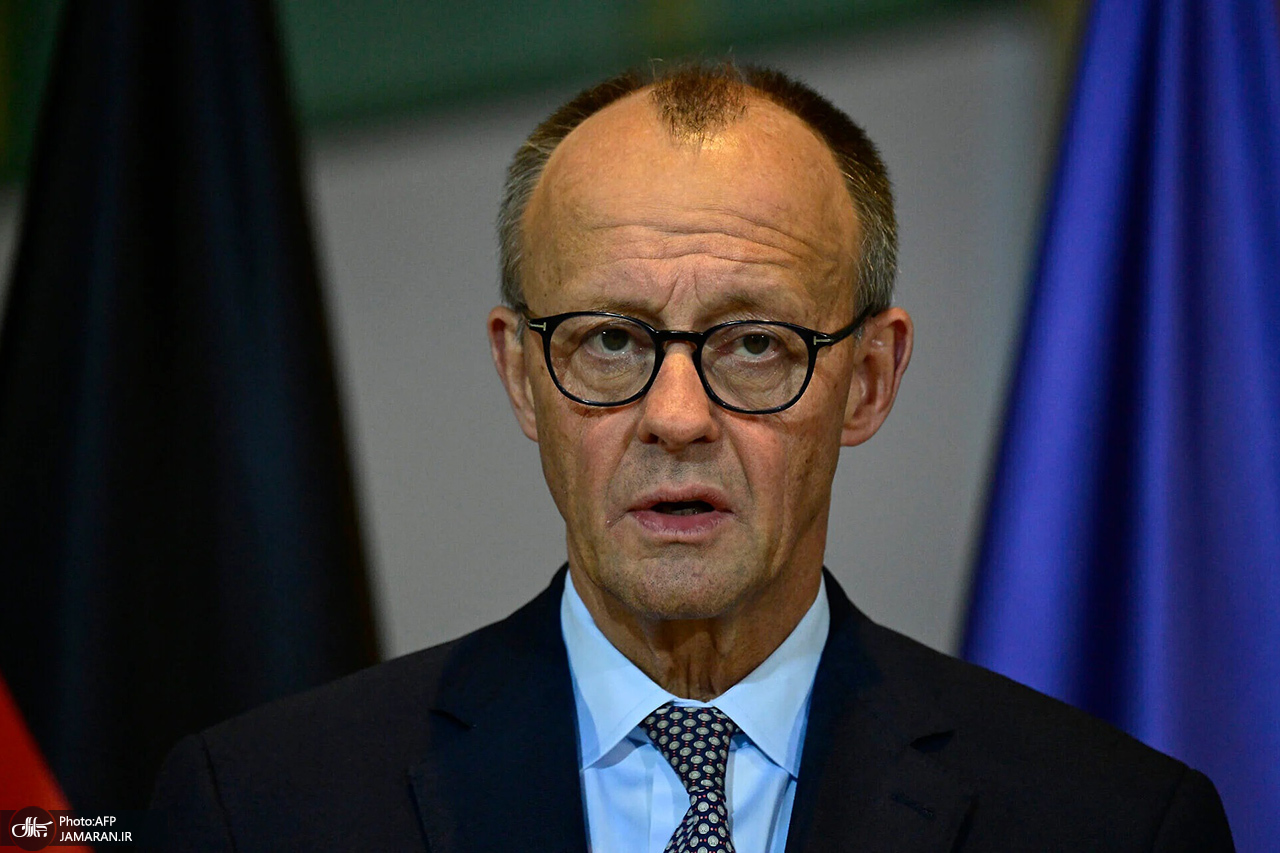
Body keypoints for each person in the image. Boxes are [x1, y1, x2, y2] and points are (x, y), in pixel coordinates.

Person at [152, 62, 1234, 852]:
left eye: (754, 344)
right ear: (521, 374)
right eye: (610, 340)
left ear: (868, 378)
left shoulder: (1111, 822)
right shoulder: (260, 808)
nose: (676, 416)